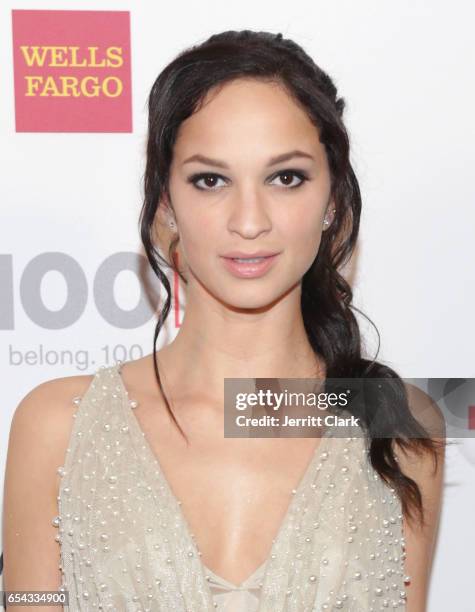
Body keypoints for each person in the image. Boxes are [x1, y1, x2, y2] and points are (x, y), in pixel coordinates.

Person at [3, 30, 445, 611]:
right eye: (211, 180)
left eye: (285, 177)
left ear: (333, 196)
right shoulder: (57, 423)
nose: (249, 220)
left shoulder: (399, 422)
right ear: (166, 201)